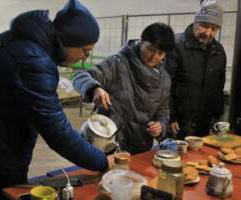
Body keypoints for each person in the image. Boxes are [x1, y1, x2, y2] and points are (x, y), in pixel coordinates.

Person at [0, 0, 113, 199]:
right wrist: (102, 161)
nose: (84, 58)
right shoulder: (33, 60)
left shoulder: (7, 41)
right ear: (68, 40)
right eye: (85, 51)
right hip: (1, 154)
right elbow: (58, 132)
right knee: (7, 194)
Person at [73, 23, 175, 154]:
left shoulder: (164, 78)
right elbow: (80, 76)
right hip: (108, 144)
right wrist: (94, 88)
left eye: (160, 53)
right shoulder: (117, 64)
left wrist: (160, 125)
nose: (154, 57)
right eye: (150, 49)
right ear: (141, 41)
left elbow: (163, 109)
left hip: (140, 146)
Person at [164, 0, 226, 139]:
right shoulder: (176, 45)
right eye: (204, 26)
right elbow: (165, 85)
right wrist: (170, 117)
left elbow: (218, 87)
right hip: (178, 123)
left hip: (204, 123)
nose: (208, 32)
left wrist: (216, 118)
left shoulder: (218, 51)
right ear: (195, 22)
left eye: (214, 29)